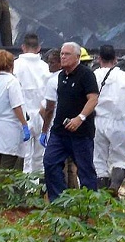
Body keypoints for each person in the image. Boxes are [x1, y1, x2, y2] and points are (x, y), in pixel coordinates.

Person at [42, 42, 99, 202]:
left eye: (67, 54)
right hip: (60, 131)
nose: (63, 57)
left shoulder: (86, 75)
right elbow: (51, 105)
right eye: (61, 54)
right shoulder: (61, 76)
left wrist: (80, 118)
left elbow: (93, 99)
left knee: (85, 169)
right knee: (50, 162)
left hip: (80, 133)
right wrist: (45, 130)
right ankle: (59, 201)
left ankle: (90, 204)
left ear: (77, 57)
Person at [93, 45, 125, 196]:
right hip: (120, 123)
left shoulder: (93, 75)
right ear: (116, 59)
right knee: (120, 159)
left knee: (99, 160)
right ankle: (114, 186)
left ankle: (103, 196)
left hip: (97, 122)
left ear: (99, 58)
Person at [0, 49, 30, 172]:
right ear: (11, 64)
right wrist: (24, 125)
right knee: (8, 170)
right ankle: (3, 192)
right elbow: (17, 106)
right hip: (10, 130)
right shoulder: (12, 82)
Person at [40, 49, 79, 189]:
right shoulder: (74, 77)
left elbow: (46, 109)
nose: (49, 65)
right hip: (73, 125)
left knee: (57, 163)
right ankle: (74, 195)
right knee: (72, 166)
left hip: (56, 129)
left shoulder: (52, 80)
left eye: (52, 62)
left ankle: (60, 196)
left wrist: (44, 130)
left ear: (60, 63)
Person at [13, 33, 50, 174]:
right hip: (43, 115)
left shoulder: (16, 66)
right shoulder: (45, 67)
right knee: (40, 158)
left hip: (23, 117)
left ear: (23, 47)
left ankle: (27, 191)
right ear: (39, 48)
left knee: (25, 158)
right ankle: (40, 190)